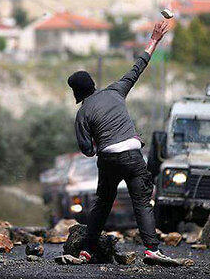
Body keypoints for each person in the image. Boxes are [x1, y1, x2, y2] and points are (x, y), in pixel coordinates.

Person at [66, 20, 175, 264]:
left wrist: (98, 145)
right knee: (142, 203)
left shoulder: (82, 114)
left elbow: (86, 150)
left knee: (102, 204)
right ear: (93, 85)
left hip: (108, 158)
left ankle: (86, 250)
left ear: (76, 93)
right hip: (133, 155)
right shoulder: (116, 91)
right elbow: (138, 66)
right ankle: (151, 250)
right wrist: (154, 40)